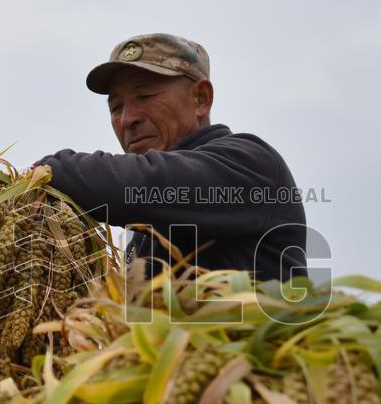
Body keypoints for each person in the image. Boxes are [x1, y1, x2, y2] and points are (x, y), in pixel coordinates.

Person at [36, 33, 307, 282]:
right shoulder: (147, 228)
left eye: (145, 95)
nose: (127, 119)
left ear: (201, 98)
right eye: (116, 107)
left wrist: (50, 169)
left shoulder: (249, 163)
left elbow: (141, 184)